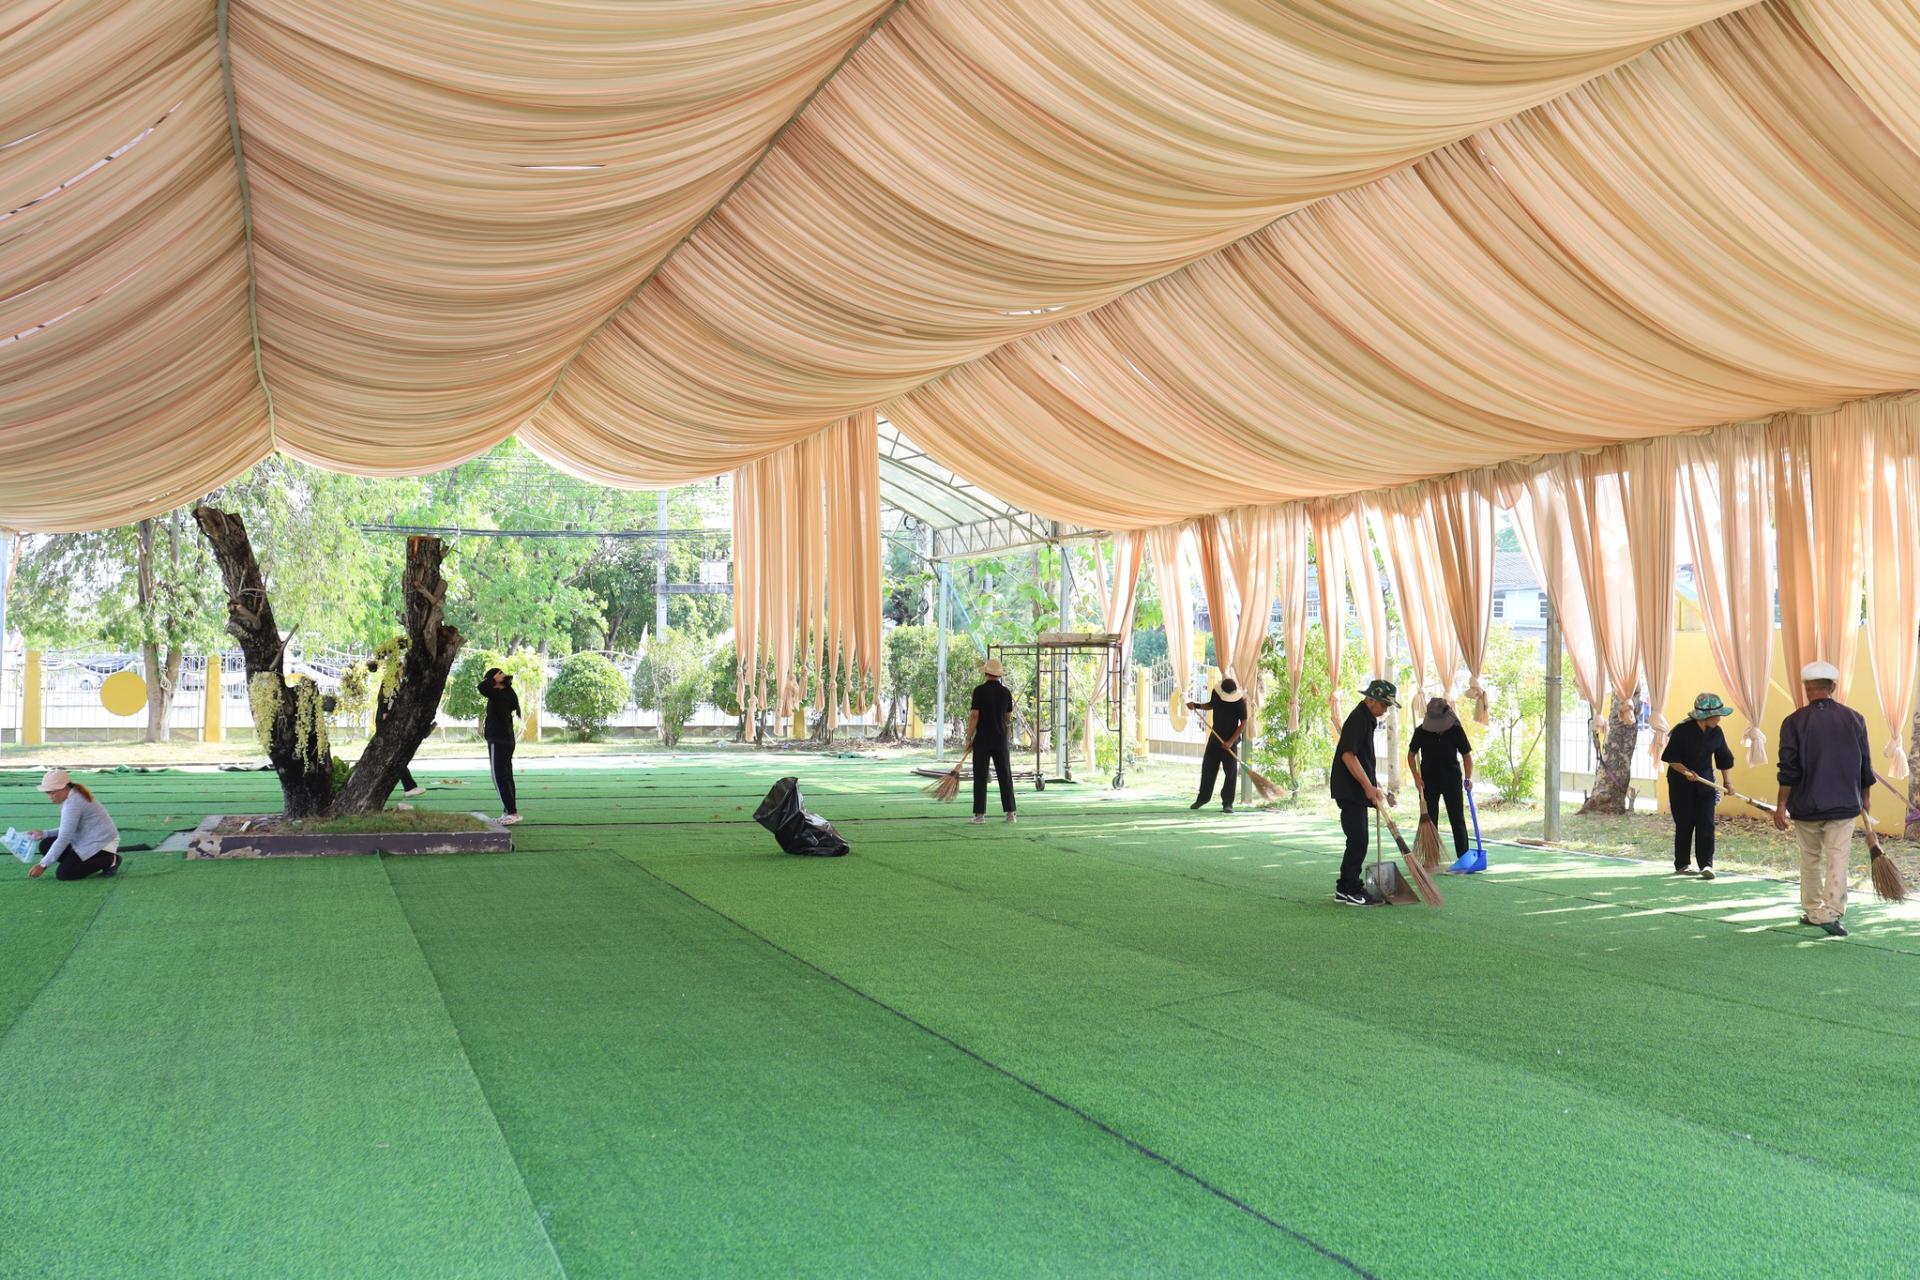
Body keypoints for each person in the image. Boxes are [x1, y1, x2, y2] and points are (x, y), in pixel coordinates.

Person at [1773, 661, 1873, 938]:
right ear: (1834, 687)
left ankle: (1812, 911)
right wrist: (1866, 799)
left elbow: (1788, 768)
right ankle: (1830, 913)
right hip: (1845, 802)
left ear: (1806, 688)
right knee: (1838, 858)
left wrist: (1781, 805)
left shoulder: (1793, 722)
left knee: (1810, 859)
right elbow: (1865, 764)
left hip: (1806, 805)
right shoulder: (1855, 719)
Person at [1330, 679, 1399, 905]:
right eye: (1384, 704)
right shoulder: (1358, 719)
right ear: (1370, 700)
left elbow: (1363, 758)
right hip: (1350, 789)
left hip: (1355, 788)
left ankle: (1344, 888)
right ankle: (1351, 888)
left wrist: (1375, 785)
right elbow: (1348, 756)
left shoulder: (1367, 719)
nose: (1386, 709)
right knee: (1358, 840)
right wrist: (1367, 787)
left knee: (1358, 839)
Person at [1660, 692, 1736, 880]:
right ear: (1705, 716)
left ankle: (1706, 865)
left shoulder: (1717, 732)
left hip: (1705, 782)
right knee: (1685, 823)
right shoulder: (1682, 730)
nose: (1719, 718)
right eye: (1717, 715)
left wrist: (1728, 782)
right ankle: (1682, 864)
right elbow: (1671, 758)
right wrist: (1687, 772)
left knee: (1706, 823)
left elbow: (1724, 759)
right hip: (1681, 783)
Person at [1406, 697, 1473, 860]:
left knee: (1457, 819)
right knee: (1430, 819)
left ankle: (1463, 856)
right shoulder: (1421, 731)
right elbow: (1411, 755)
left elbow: (1466, 756)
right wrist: (1416, 777)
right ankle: (1432, 857)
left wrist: (1468, 777)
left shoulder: (1456, 730)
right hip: (1428, 782)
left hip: (1452, 780)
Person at [24, 769, 121, 881]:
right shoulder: (74, 795)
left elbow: (64, 837)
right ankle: (78, 861)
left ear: (64, 787)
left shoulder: (73, 803)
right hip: (87, 839)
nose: (50, 797)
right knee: (45, 845)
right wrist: (45, 834)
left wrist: (43, 865)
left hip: (102, 844)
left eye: (52, 792)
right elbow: (68, 829)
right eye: (48, 793)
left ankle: (111, 860)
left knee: (65, 874)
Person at [964, 657, 1016, 825]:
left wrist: (969, 737)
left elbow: (974, 716)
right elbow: (1008, 716)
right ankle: (1011, 814)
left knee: (980, 775)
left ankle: (979, 815)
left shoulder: (979, 691)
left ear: (986, 673)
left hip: (983, 739)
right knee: (1005, 775)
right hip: (1000, 738)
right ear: (999, 675)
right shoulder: (1006, 692)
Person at [1186, 673, 1247, 813]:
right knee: (1208, 768)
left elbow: (1243, 722)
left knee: (1230, 772)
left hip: (1230, 741)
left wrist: (1231, 741)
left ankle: (1228, 803)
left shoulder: (1240, 701)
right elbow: (1211, 705)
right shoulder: (1216, 692)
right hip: (1215, 737)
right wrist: (1196, 705)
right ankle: (1203, 798)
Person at [368, 659, 426, 798]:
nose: (403, 671)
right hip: (386, 724)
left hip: (388, 723)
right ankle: (409, 787)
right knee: (395, 757)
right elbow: (385, 702)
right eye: (401, 668)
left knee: (389, 758)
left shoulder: (396, 682)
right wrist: (388, 724)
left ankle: (407, 786)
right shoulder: (389, 683)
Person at [478, 667, 523, 826]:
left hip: (498, 740)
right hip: (506, 740)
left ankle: (511, 812)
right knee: (506, 776)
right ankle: (509, 811)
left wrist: (494, 679)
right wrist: (495, 680)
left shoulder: (499, 694)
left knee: (498, 777)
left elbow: (482, 687)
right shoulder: (506, 693)